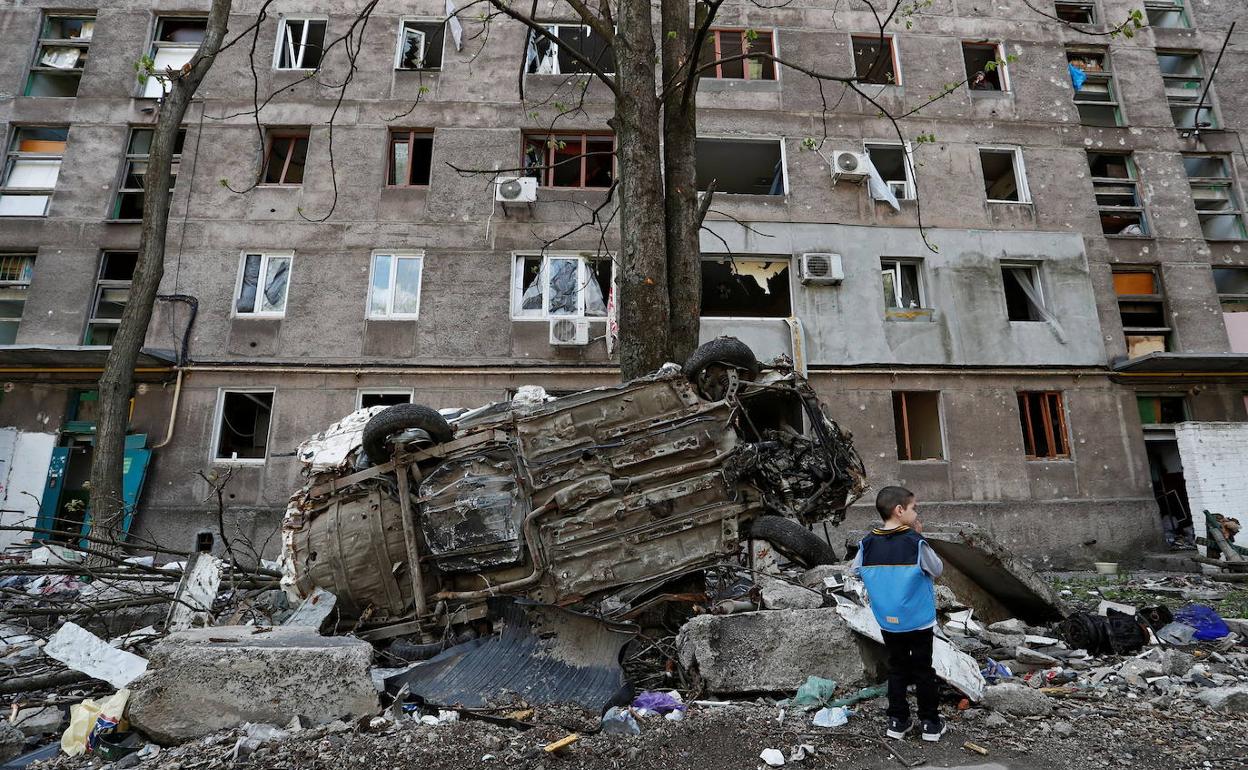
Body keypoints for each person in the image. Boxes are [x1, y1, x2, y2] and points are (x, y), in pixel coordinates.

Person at [850, 486, 945, 742]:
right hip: (918, 619)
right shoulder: (915, 541)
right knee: (924, 669)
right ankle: (930, 724)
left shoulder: (867, 543)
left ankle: (897, 721)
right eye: (914, 508)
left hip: (888, 620)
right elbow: (936, 569)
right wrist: (920, 538)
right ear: (899, 510)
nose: (916, 513)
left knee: (897, 669)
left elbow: (855, 571)